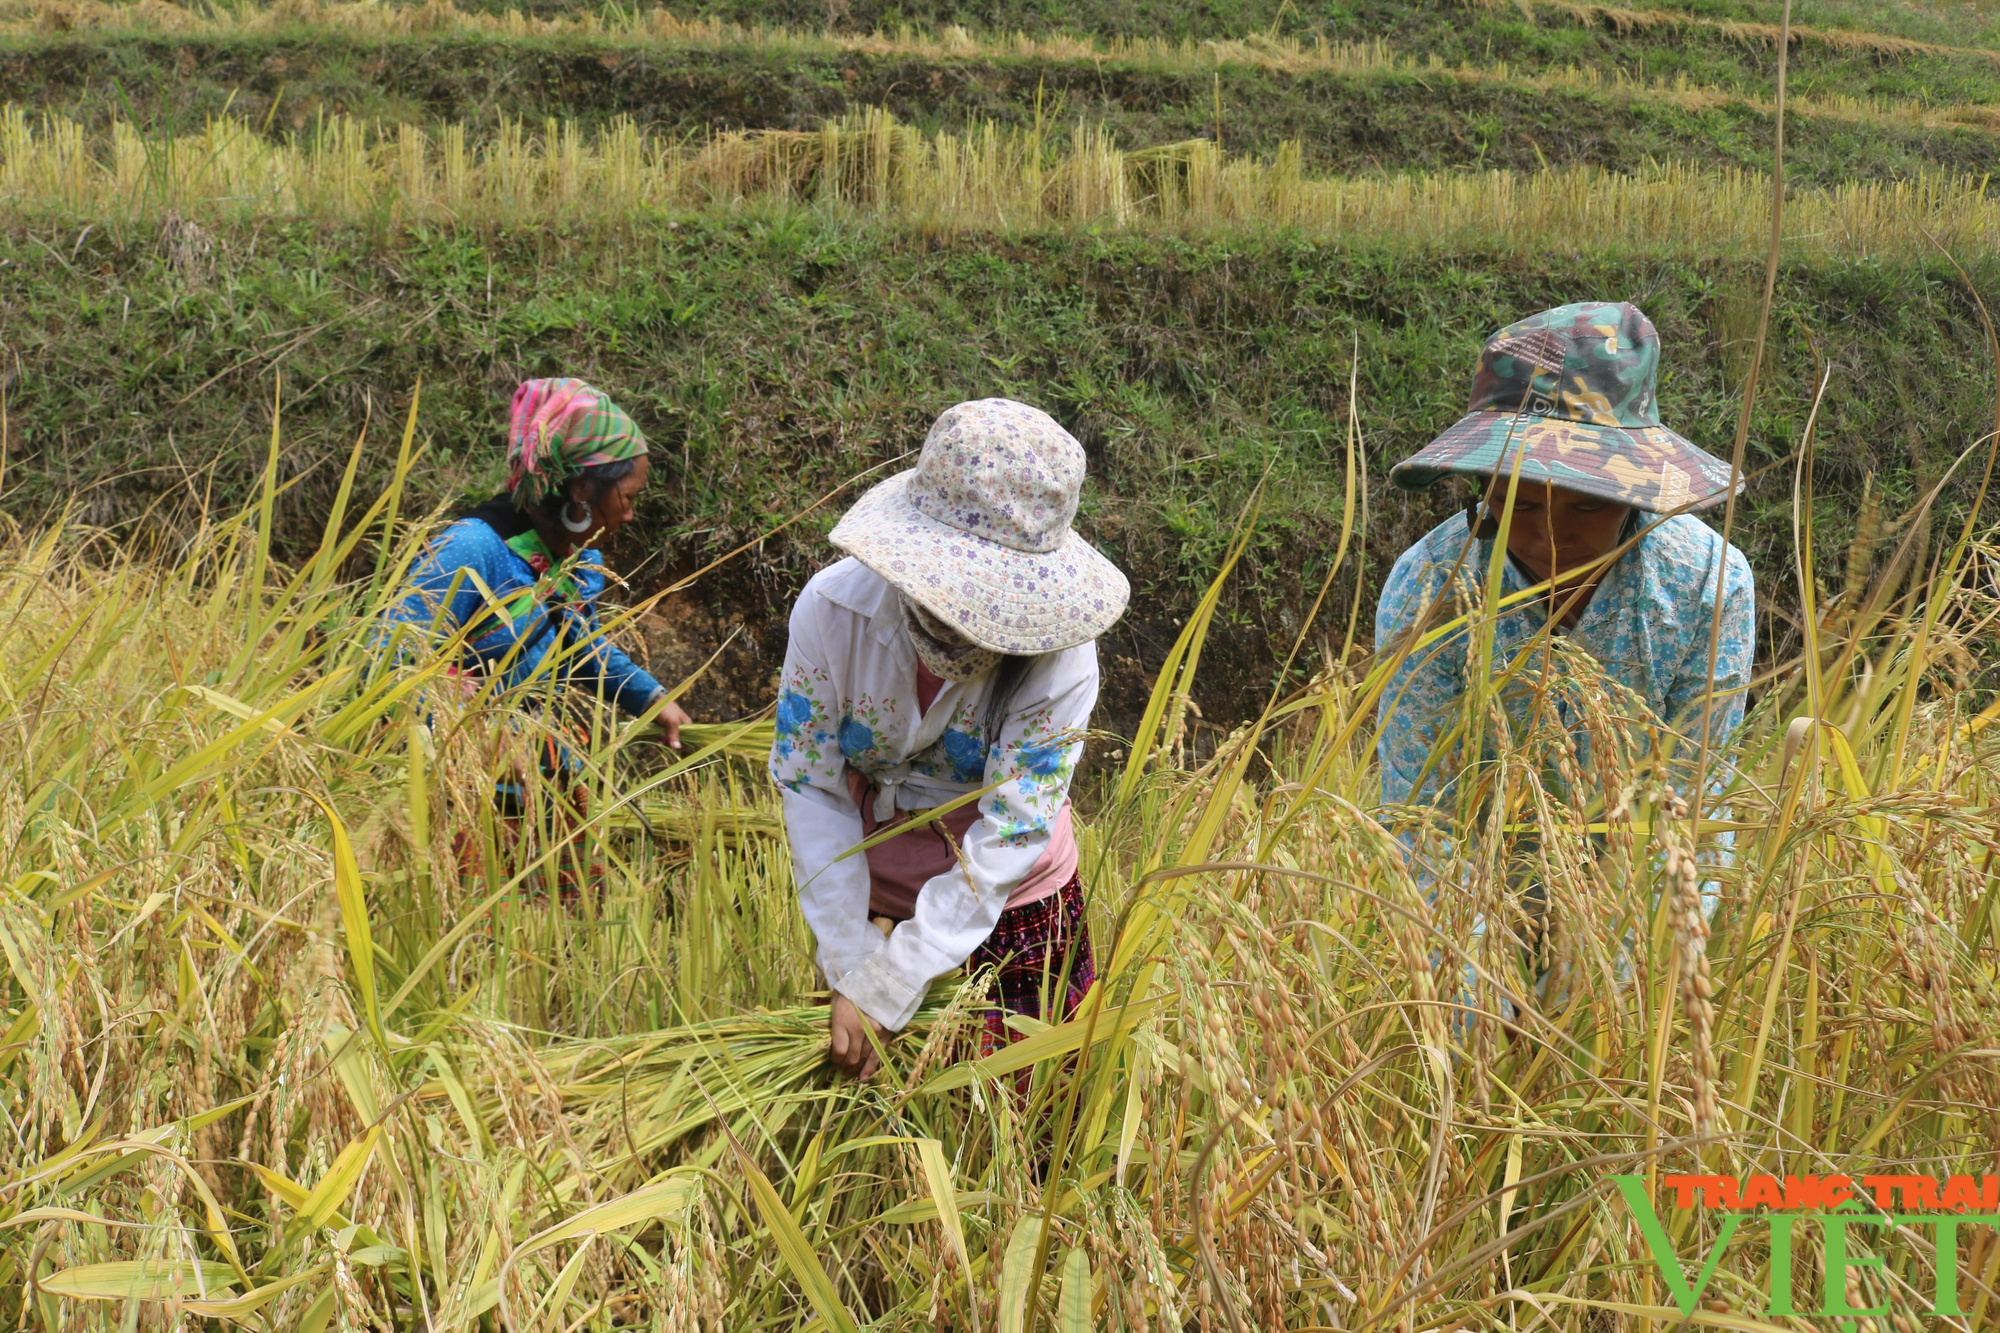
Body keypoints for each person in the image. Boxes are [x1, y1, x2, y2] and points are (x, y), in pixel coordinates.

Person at [1374, 302, 1754, 990]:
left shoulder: (1704, 584)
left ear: (1637, 494)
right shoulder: (1430, 592)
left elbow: (1695, 801)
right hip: (1467, 912)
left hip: (1639, 908)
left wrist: (1610, 985)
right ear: (1482, 491)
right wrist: (1480, 989)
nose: (1549, 540)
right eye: (1517, 503)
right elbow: (1420, 819)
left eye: (1586, 504)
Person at [768, 399, 1129, 1081]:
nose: (961, 619)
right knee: (866, 1129)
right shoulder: (831, 613)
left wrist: (897, 978)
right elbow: (809, 779)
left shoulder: (1061, 659)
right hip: (869, 899)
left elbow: (1012, 831)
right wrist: (855, 968)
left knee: (1029, 1127)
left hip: (1017, 904)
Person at [381, 377, 692, 895]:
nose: (630, 514)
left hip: (546, 780)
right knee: (484, 939)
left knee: (567, 927)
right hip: (465, 794)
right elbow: (388, 657)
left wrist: (650, 697)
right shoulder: (473, 550)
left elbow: (577, 645)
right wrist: (476, 731)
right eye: (628, 497)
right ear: (581, 491)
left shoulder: (580, 556)